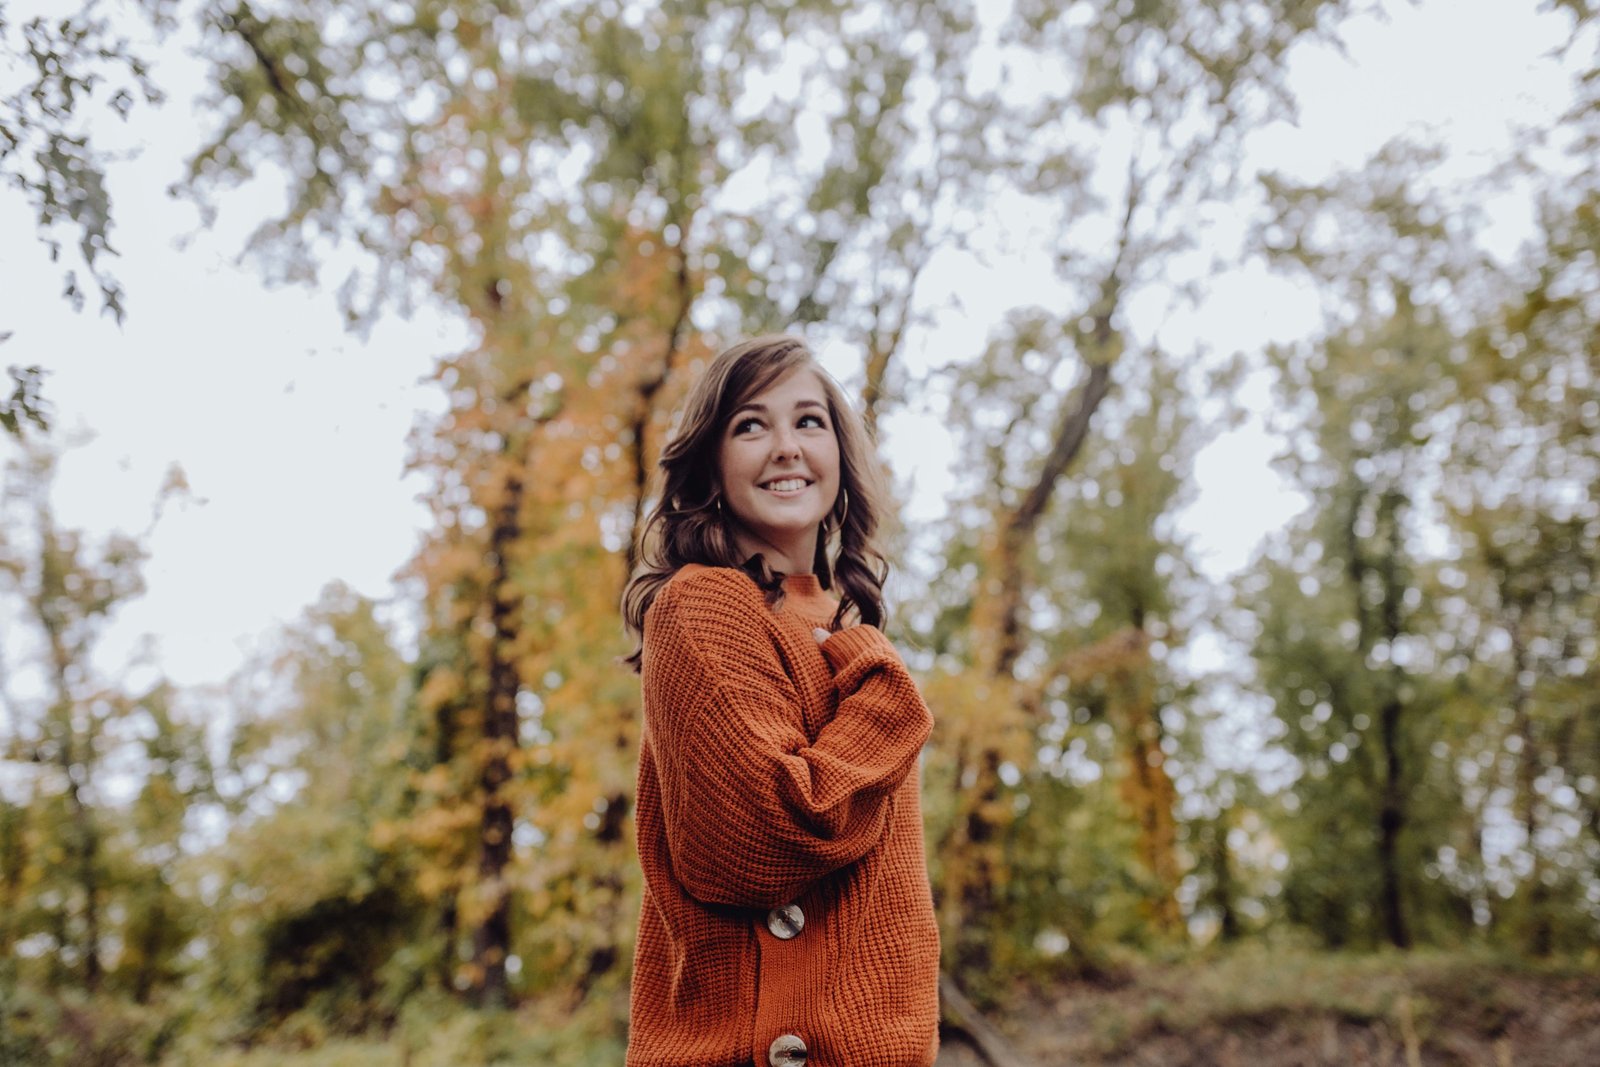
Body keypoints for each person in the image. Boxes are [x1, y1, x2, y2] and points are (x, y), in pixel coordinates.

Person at [620, 335, 940, 1067]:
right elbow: (759, 840)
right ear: (711, 462)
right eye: (751, 425)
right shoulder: (705, 602)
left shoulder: (841, 625)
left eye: (809, 421)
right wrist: (886, 696)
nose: (786, 446)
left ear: (840, 454)